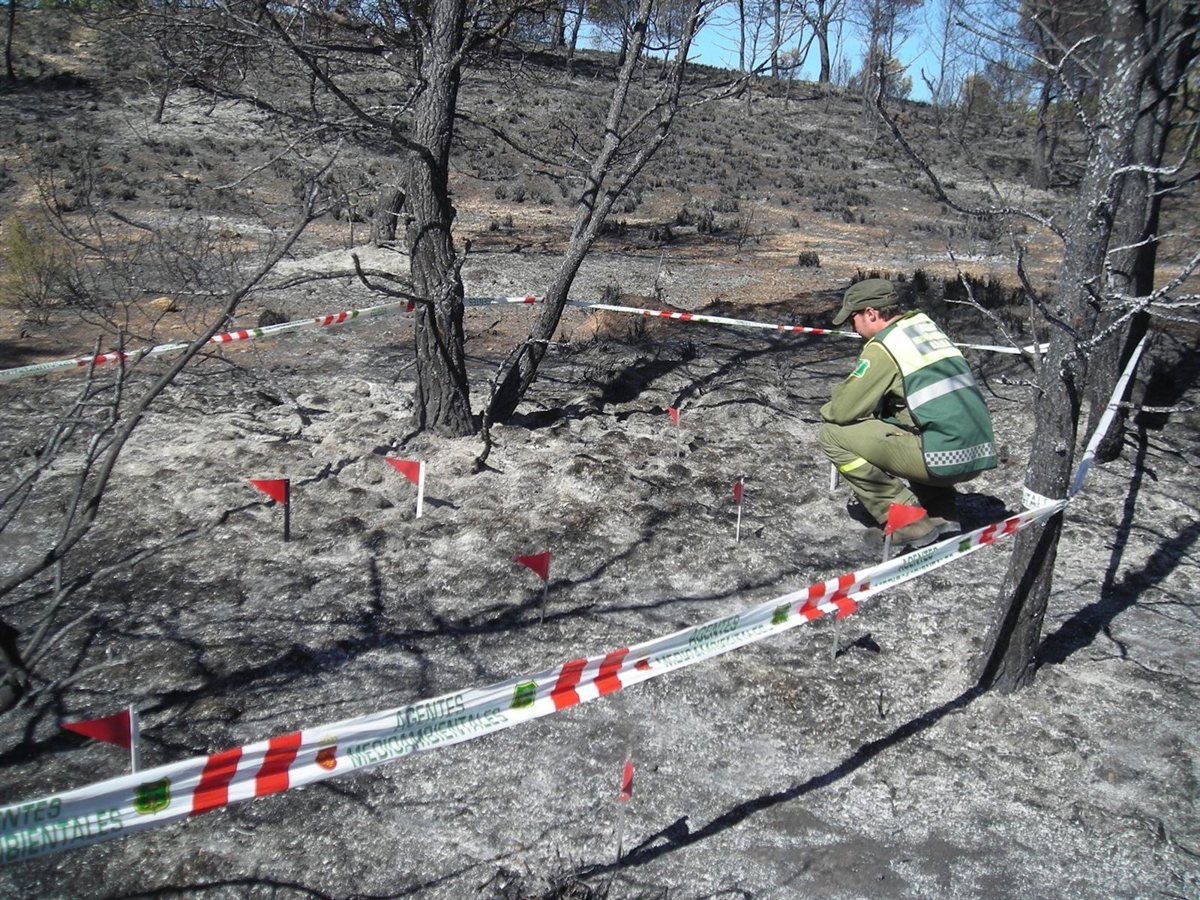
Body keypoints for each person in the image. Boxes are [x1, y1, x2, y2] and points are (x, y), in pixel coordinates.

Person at [818, 278, 997, 551]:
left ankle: (908, 522)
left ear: (870, 313)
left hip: (944, 458)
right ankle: (941, 513)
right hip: (979, 452)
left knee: (832, 434)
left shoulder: (885, 347)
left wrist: (828, 408)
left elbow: (843, 410)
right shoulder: (925, 328)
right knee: (903, 420)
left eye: (853, 319)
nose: (853, 328)